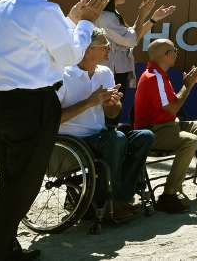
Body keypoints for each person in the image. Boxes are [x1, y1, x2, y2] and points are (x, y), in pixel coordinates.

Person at [0, 0, 109, 261]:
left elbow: (42, 42)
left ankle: (7, 248)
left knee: (11, 179)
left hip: (3, 103)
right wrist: (86, 23)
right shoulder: (45, 11)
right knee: (23, 186)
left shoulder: (2, 6)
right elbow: (69, 55)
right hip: (34, 104)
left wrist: (73, 19)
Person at [55, 29, 155, 224]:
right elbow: (52, 119)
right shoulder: (63, 75)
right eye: (105, 46)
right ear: (88, 49)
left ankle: (119, 199)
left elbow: (112, 115)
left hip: (100, 136)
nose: (109, 50)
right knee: (115, 139)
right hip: (73, 141)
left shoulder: (105, 72)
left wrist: (112, 105)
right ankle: (106, 203)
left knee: (145, 136)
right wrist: (89, 102)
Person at [133, 39, 197, 212]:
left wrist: (188, 85)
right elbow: (173, 108)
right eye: (174, 50)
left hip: (170, 125)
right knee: (190, 140)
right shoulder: (153, 77)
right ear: (166, 55)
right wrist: (188, 85)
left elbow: (171, 107)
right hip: (154, 131)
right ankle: (168, 195)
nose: (176, 53)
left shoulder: (160, 74)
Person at [88, 0, 175, 89]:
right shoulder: (105, 17)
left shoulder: (111, 15)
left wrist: (153, 19)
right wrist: (142, 14)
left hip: (116, 70)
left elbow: (133, 36)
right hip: (110, 72)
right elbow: (131, 40)